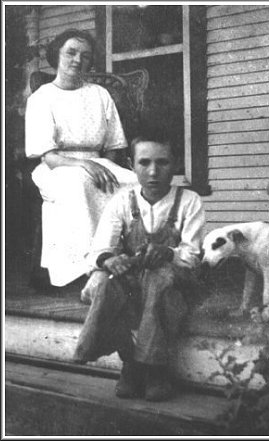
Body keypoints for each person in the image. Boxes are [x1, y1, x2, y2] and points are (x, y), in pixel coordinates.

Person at [74, 127, 206, 401]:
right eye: (144, 162)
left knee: (160, 280)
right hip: (137, 283)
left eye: (163, 162)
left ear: (176, 164)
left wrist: (168, 253)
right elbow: (99, 248)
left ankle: (154, 369)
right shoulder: (122, 200)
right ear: (131, 165)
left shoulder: (188, 201)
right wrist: (111, 260)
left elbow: (192, 256)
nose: (154, 172)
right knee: (110, 289)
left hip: (177, 283)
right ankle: (130, 364)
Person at [25, 29, 137, 287]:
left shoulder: (99, 94)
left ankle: (128, 261)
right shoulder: (42, 98)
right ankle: (88, 268)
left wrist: (104, 166)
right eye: (71, 52)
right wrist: (86, 164)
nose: (78, 60)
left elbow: (112, 147)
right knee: (78, 184)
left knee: (132, 184)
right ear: (57, 56)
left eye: (85, 56)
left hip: (98, 161)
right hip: (57, 166)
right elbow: (49, 157)